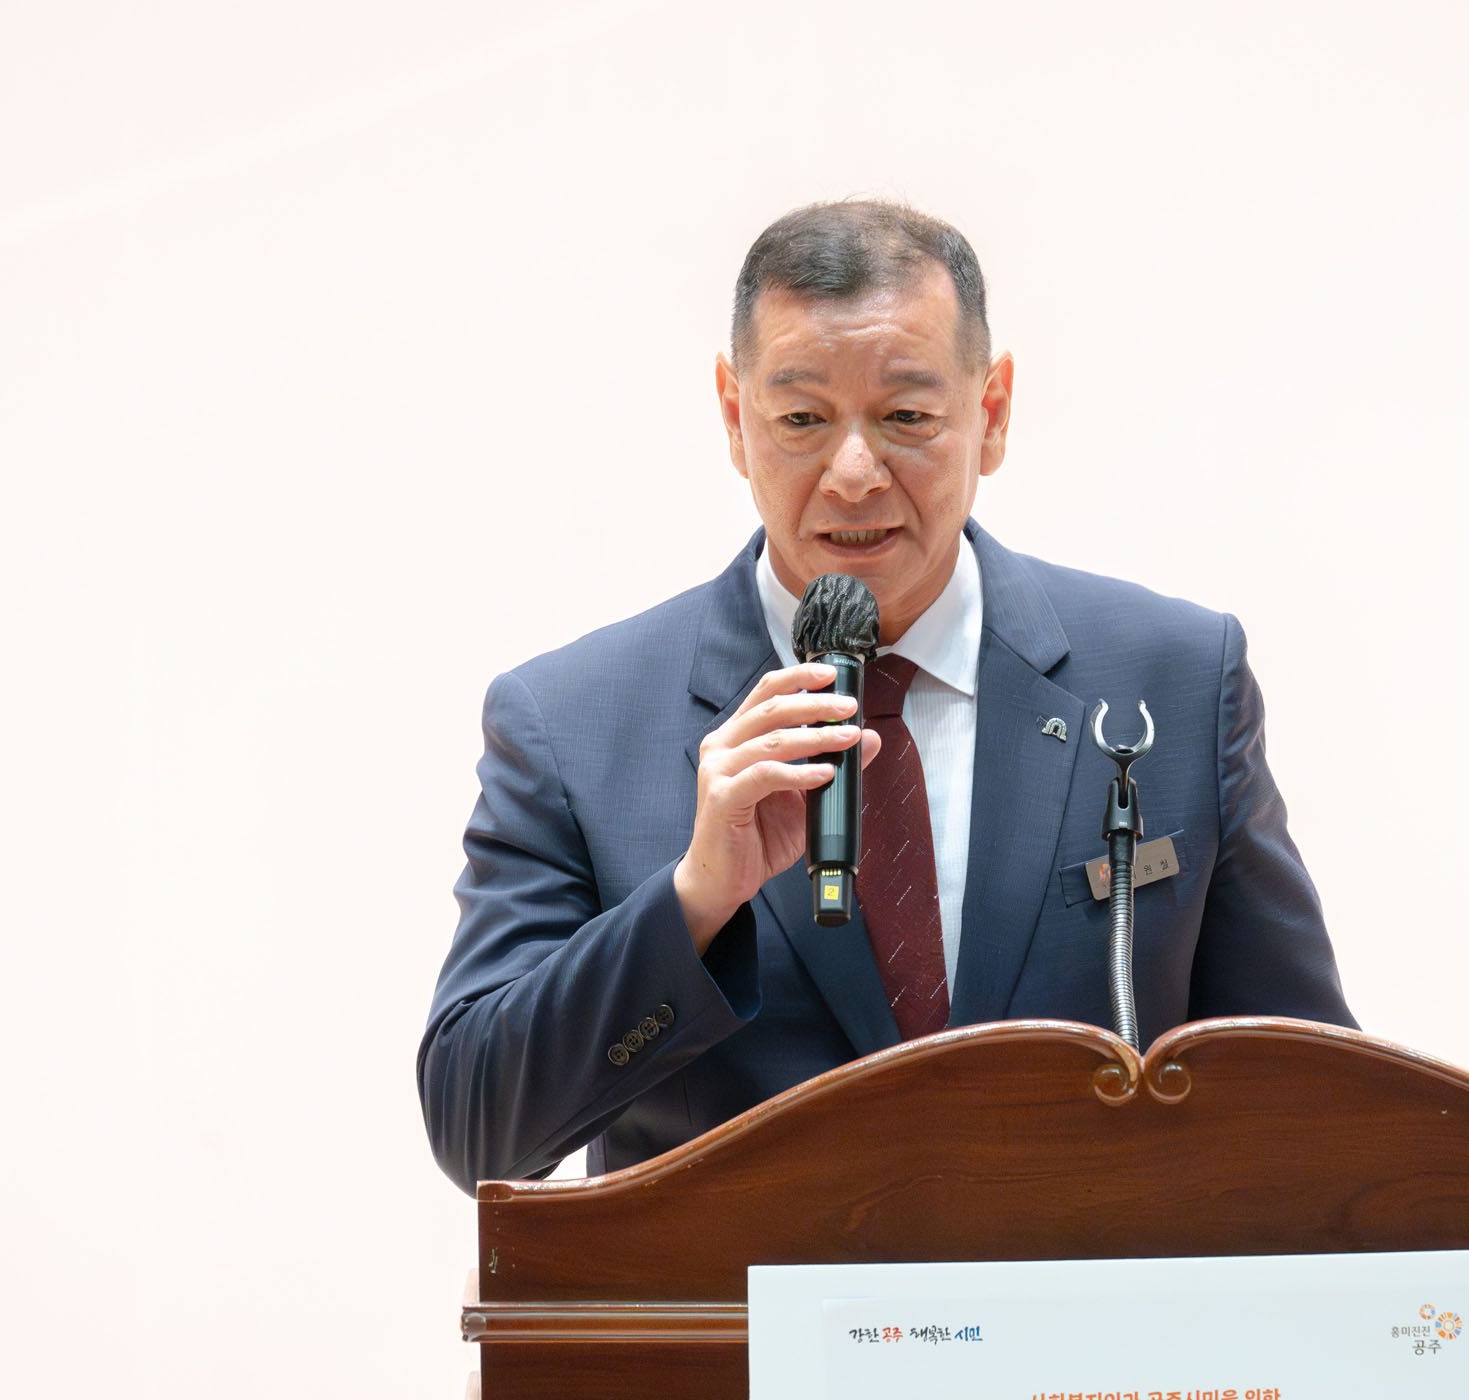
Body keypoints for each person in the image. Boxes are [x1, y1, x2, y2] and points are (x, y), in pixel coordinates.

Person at [419, 201, 1354, 1191]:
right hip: (739, 1296)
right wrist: (694, 901)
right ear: (735, 417)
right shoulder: (571, 726)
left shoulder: (1174, 676)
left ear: (991, 412)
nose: (855, 472)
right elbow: (479, 1130)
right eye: (802, 420)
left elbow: (1316, 1105)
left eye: (906, 417)